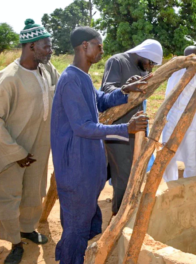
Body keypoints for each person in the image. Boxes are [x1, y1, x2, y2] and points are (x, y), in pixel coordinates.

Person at [51, 27, 149, 264]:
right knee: (77, 227)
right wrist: (126, 128)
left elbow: (102, 101)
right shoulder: (71, 79)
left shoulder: (82, 76)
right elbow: (84, 127)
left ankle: (69, 254)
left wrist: (125, 90)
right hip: (76, 170)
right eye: (99, 45)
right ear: (84, 46)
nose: (102, 50)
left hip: (86, 168)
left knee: (81, 223)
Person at [0, 18, 58, 264]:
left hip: (39, 148)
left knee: (34, 192)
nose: (50, 50)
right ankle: (14, 242)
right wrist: (17, 152)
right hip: (12, 151)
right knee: (9, 197)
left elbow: (64, 87)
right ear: (31, 46)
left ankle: (27, 228)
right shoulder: (8, 78)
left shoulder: (47, 70)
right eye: (46, 45)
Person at [101, 38, 162, 215]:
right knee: (123, 176)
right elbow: (107, 89)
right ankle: (118, 218)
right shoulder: (117, 61)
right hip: (118, 130)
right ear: (144, 54)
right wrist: (126, 88)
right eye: (150, 62)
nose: (150, 67)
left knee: (129, 174)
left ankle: (123, 212)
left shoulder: (142, 69)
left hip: (136, 130)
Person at [162, 46, 196, 182]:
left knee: (192, 154)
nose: (191, 60)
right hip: (172, 118)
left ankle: (190, 184)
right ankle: (169, 183)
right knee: (168, 152)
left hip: (193, 119)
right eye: (189, 57)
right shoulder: (175, 73)